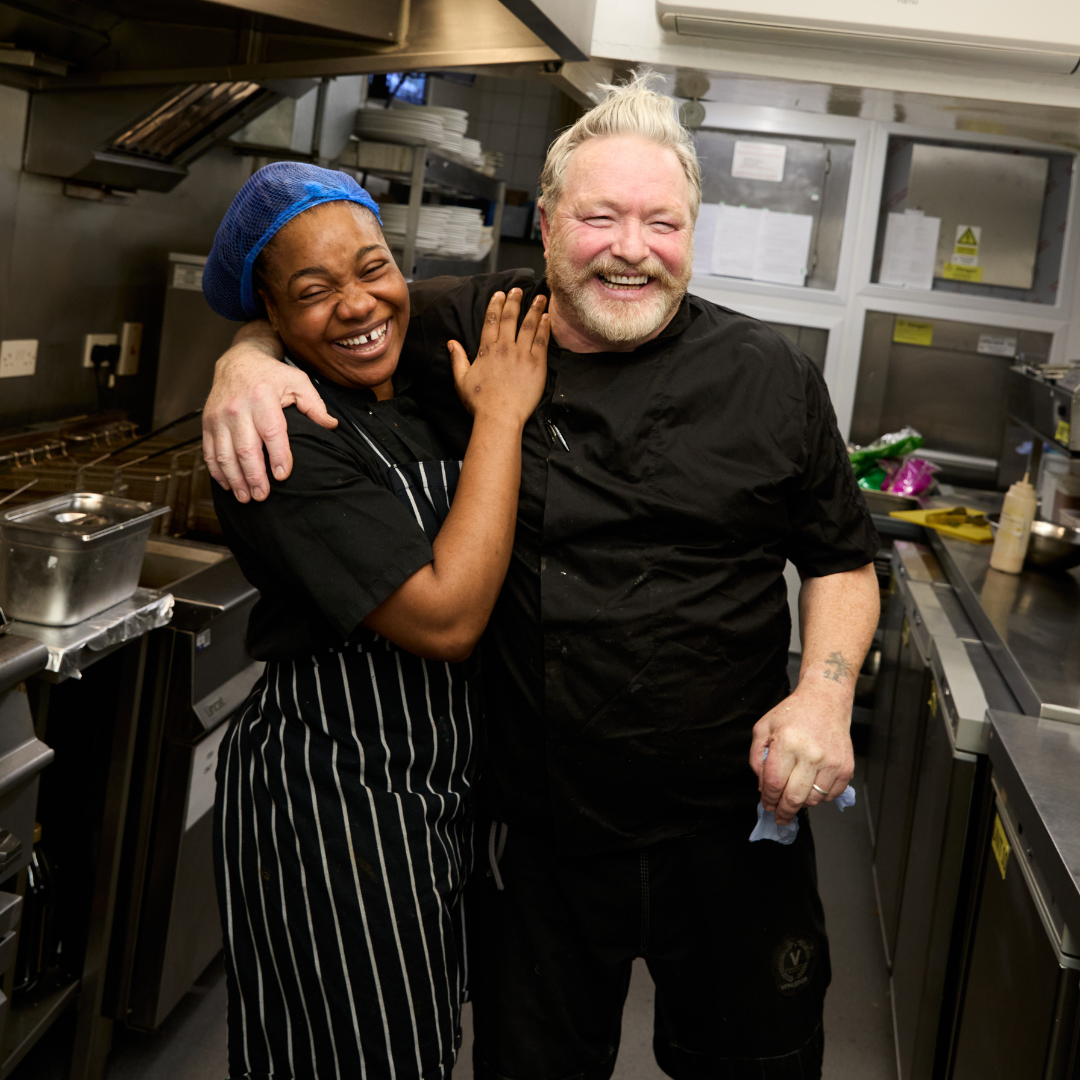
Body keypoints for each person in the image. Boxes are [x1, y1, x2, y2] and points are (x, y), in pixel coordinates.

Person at [202, 75, 881, 1079]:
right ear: (548, 222)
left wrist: (825, 698)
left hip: (731, 825)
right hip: (539, 839)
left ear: (693, 233)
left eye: (662, 222)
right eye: (600, 217)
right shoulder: (474, 323)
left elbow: (840, 557)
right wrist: (245, 358)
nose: (630, 247)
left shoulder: (772, 376)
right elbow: (333, 308)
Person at [200, 161, 549, 1079]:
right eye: (313, 292)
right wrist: (503, 421)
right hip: (333, 803)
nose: (358, 305)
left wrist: (244, 343)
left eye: (373, 267)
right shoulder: (279, 440)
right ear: (276, 317)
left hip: (433, 795)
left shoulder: (422, 368)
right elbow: (446, 621)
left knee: (415, 1048)